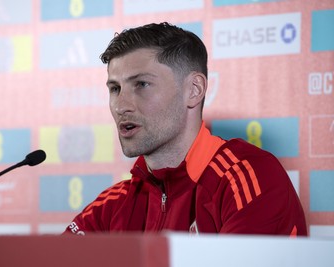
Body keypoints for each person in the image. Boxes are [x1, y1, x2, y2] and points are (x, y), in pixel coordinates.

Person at [64, 22, 307, 236]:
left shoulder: (249, 176)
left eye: (142, 84)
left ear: (194, 90)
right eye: (115, 89)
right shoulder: (112, 205)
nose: (121, 106)